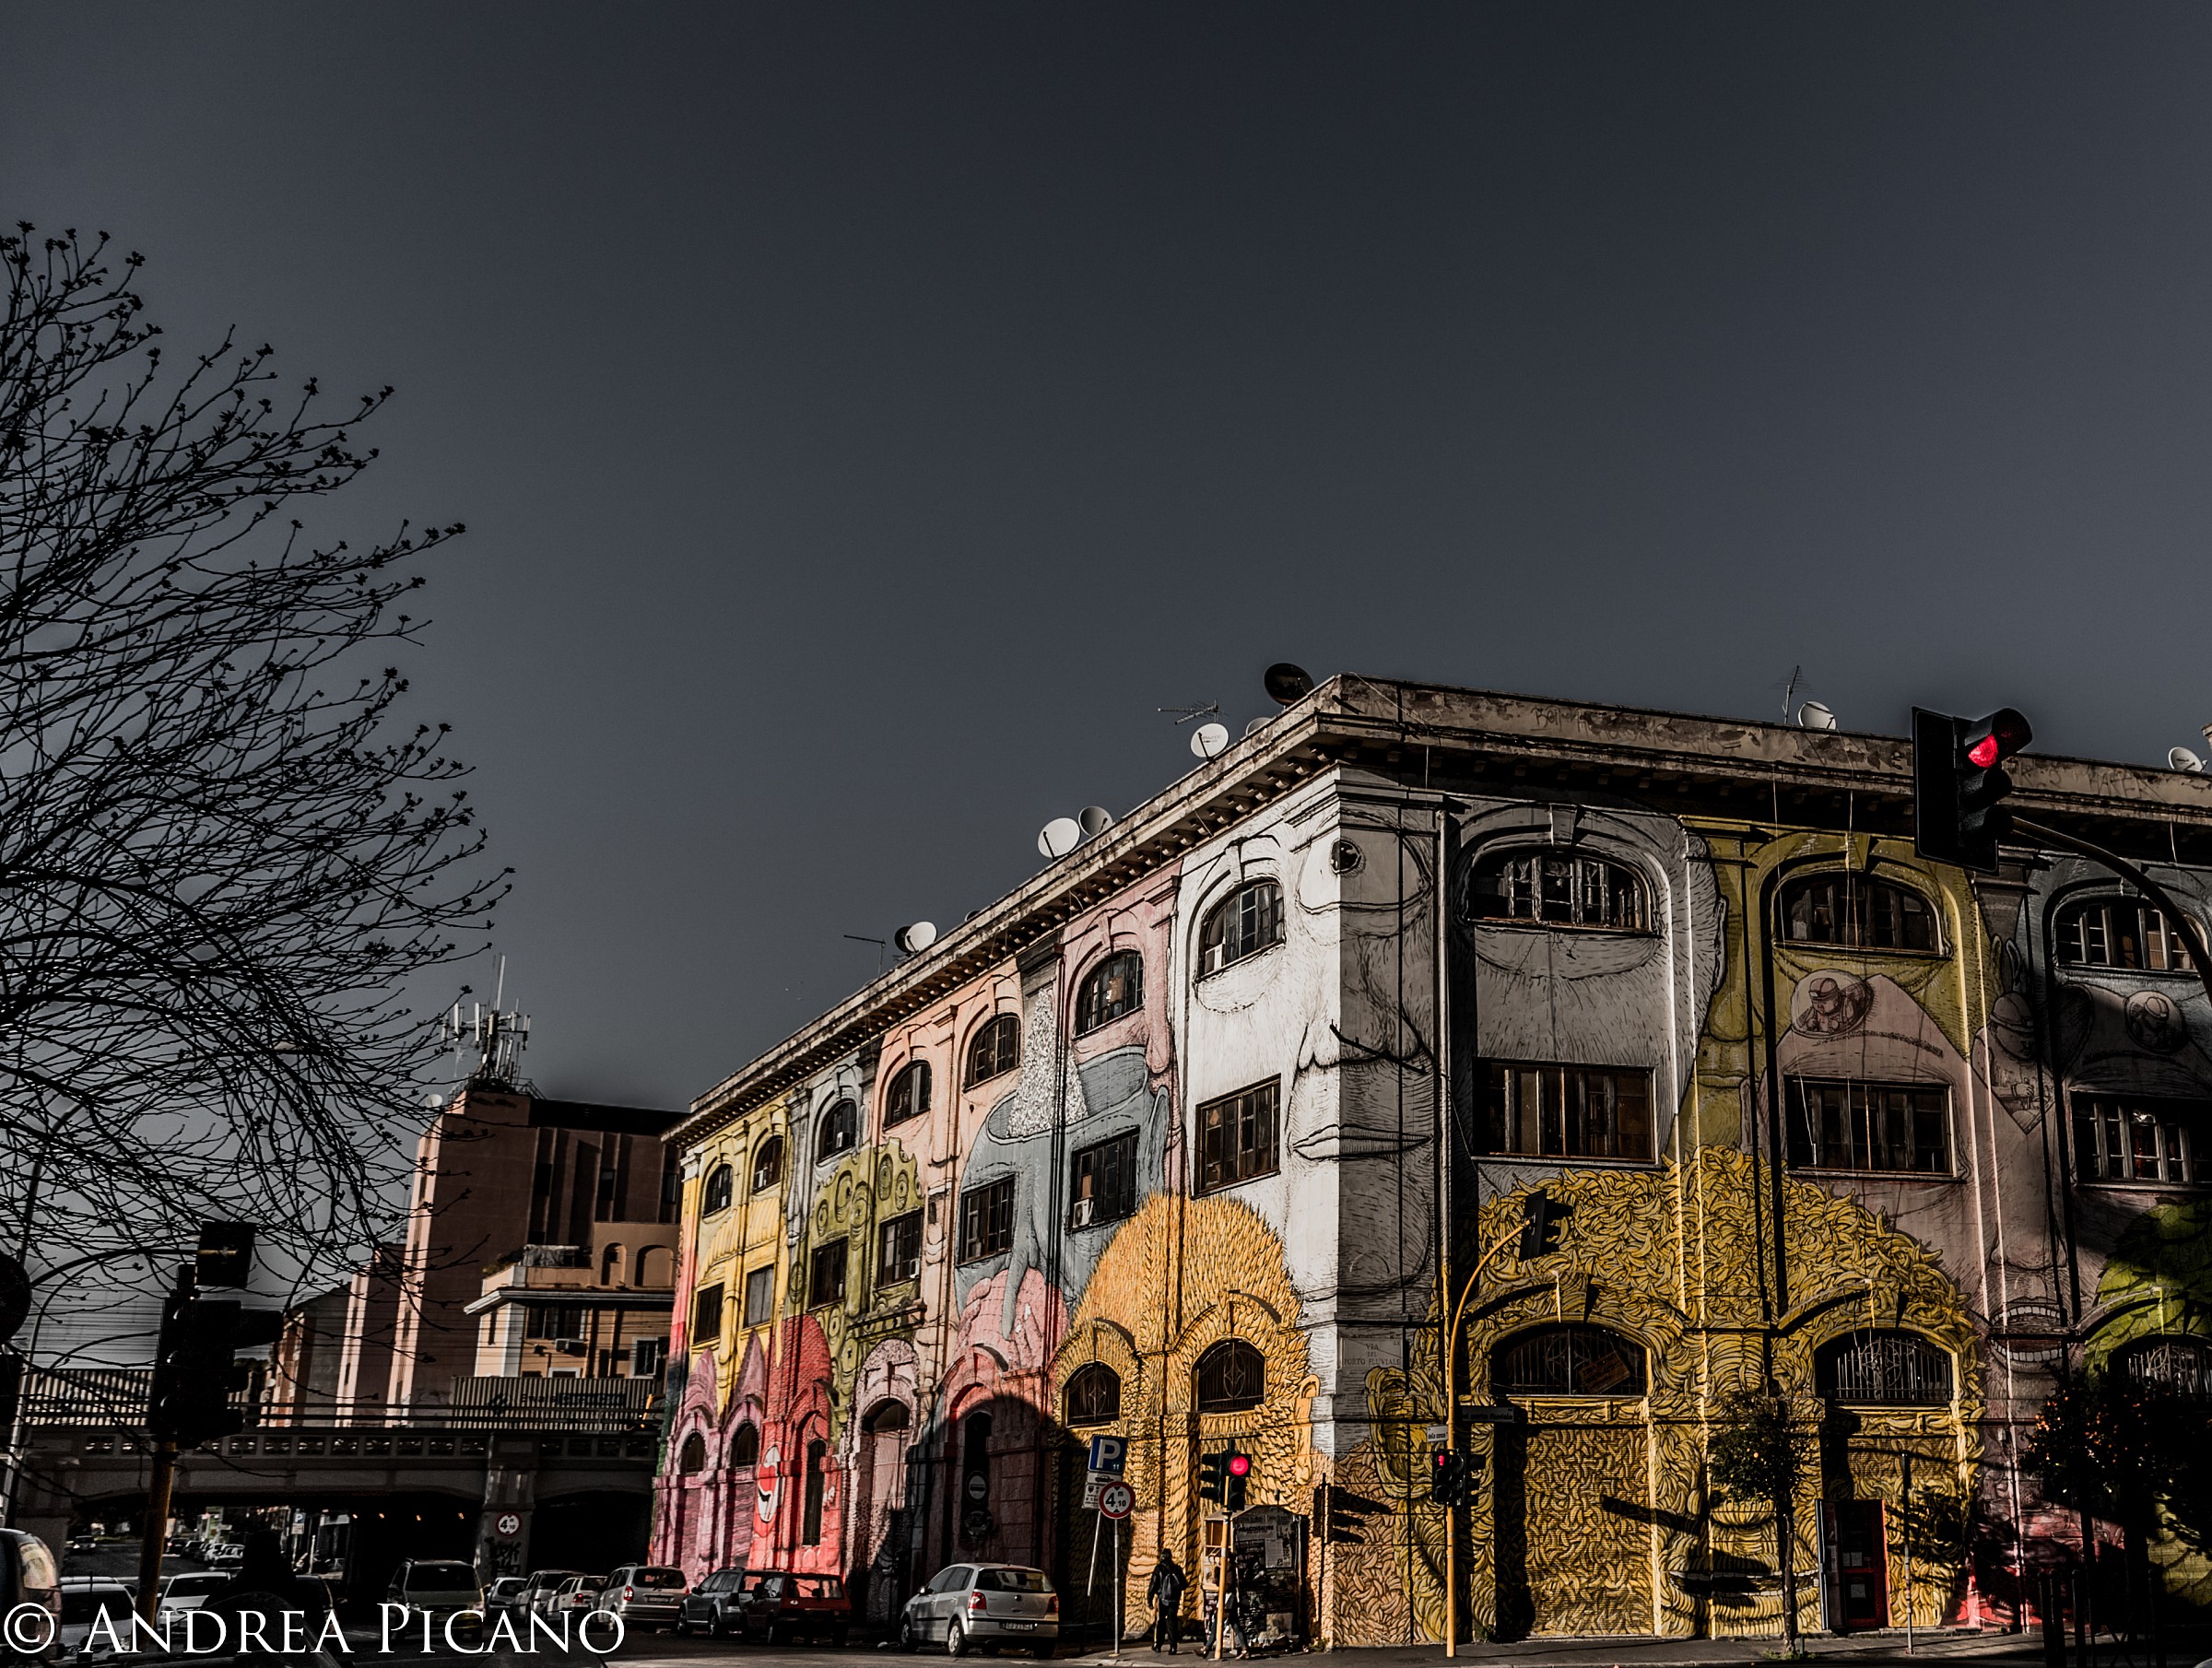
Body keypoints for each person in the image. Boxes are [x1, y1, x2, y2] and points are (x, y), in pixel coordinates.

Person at [1146, 1549, 1187, 1653]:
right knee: (1172, 1621)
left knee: (1161, 1621)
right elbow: (1184, 1584)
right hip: (1174, 1600)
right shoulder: (1177, 1568)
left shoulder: (1159, 1569)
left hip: (1162, 1599)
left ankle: (1158, 1645)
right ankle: (1173, 1647)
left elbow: (1153, 1584)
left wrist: (1149, 1599)